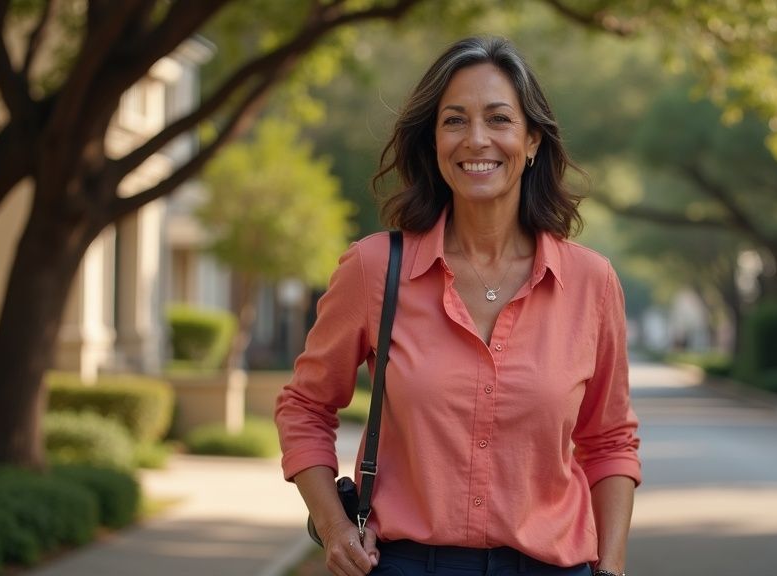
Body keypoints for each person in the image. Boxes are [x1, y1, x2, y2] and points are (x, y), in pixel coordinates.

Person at [275, 36, 641, 576]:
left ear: (532, 139)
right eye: (454, 121)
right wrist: (332, 527)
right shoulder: (373, 270)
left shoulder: (591, 282)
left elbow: (609, 441)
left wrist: (610, 568)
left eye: (498, 119)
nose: (476, 140)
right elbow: (304, 408)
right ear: (432, 141)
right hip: (405, 564)